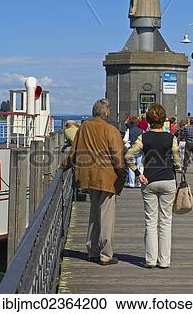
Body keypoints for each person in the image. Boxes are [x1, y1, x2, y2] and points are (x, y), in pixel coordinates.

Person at [125, 103, 182, 269]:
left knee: (150, 221)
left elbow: (128, 156)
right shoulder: (171, 138)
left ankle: (150, 260)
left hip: (148, 181)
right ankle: (164, 260)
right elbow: (177, 161)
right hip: (168, 180)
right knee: (165, 222)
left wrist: (138, 174)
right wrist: (176, 167)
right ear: (163, 120)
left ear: (149, 120)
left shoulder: (144, 138)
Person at [70, 99, 126, 266]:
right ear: (107, 113)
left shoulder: (84, 127)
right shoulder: (111, 130)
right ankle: (105, 254)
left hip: (89, 176)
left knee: (94, 214)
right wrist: (122, 174)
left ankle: (92, 250)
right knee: (106, 216)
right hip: (107, 177)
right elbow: (117, 157)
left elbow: (74, 151)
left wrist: (64, 165)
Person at [125, 116, 143, 188]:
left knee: (131, 166)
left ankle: (131, 183)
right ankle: (139, 182)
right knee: (140, 166)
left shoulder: (129, 130)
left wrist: (128, 145)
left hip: (131, 149)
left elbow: (125, 140)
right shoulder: (141, 131)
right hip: (140, 151)